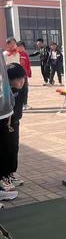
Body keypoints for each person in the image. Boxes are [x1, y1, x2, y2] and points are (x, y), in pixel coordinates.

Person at [4, 63, 26, 189]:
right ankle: (4, 175)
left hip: (15, 123)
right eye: (18, 79)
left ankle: (11, 174)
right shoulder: (5, 91)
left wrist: (16, 120)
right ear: (10, 80)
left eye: (22, 78)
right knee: (6, 149)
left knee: (14, 148)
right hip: (5, 125)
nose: (21, 81)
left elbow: (19, 108)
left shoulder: (21, 89)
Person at [0, 55, 18, 201]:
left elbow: (3, 79)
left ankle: (4, 179)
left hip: (4, 111)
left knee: (6, 148)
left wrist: (9, 104)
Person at [17, 42, 32, 110]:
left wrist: (29, 73)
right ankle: (19, 105)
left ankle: (25, 104)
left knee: (25, 90)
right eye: (19, 46)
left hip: (24, 76)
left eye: (22, 46)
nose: (21, 48)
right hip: (17, 76)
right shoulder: (16, 54)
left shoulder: (25, 54)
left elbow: (28, 64)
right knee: (18, 90)